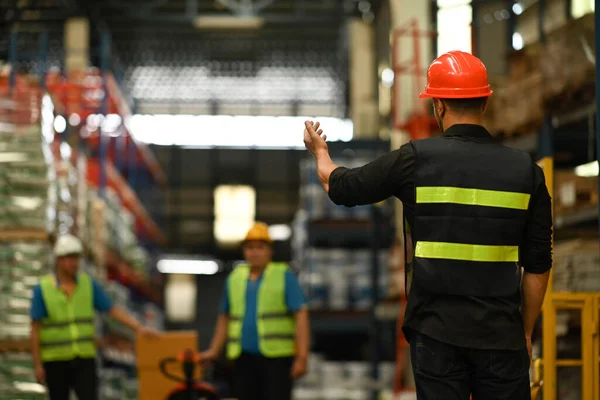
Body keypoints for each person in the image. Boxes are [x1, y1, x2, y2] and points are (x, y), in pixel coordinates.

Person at [302, 50, 552, 400]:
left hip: (437, 335)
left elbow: (341, 187)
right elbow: (538, 265)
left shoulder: (415, 160)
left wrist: (321, 154)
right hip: (501, 336)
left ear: (438, 105)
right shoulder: (527, 171)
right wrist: (524, 331)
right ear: (484, 103)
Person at [30, 234, 159, 400]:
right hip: (55, 361)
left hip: (84, 359)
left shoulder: (88, 285)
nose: (74, 262)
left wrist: (139, 328)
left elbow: (112, 310)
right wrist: (37, 364)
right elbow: (35, 329)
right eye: (69, 258)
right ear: (58, 260)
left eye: (77, 257)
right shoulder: (43, 290)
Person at [201, 222, 310, 400]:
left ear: (270, 251)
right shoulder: (235, 278)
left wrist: (302, 357)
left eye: (261, 247)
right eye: (250, 247)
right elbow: (224, 318)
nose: (255, 252)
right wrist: (214, 351)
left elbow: (301, 316)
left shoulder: (284, 276)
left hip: (277, 359)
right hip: (243, 358)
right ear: (244, 251)